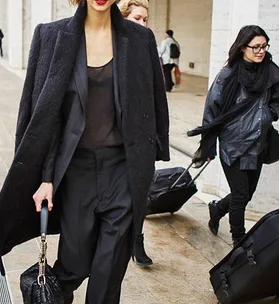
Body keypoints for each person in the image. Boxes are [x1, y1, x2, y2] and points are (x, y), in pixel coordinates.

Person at [0, 0, 170, 303]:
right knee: (74, 264)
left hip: (123, 172)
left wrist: (151, 157)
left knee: (108, 274)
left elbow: (155, 100)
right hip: (76, 171)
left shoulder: (140, 39)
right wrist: (45, 177)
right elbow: (41, 115)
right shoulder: (50, 36)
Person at [188, 25, 279, 247]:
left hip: (258, 144)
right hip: (232, 145)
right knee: (241, 195)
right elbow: (211, 112)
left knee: (246, 194)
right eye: (256, 47)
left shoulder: (270, 72)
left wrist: (268, 114)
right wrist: (207, 147)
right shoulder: (227, 75)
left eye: (264, 46)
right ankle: (238, 240)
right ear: (243, 47)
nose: (261, 51)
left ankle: (217, 209)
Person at [118, 0, 154, 267]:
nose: (143, 24)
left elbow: (156, 97)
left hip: (141, 136)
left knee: (139, 193)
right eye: (137, 19)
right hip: (115, 138)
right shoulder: (113, 46)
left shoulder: (147, 46)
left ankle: (137, 239)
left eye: (145, 19)